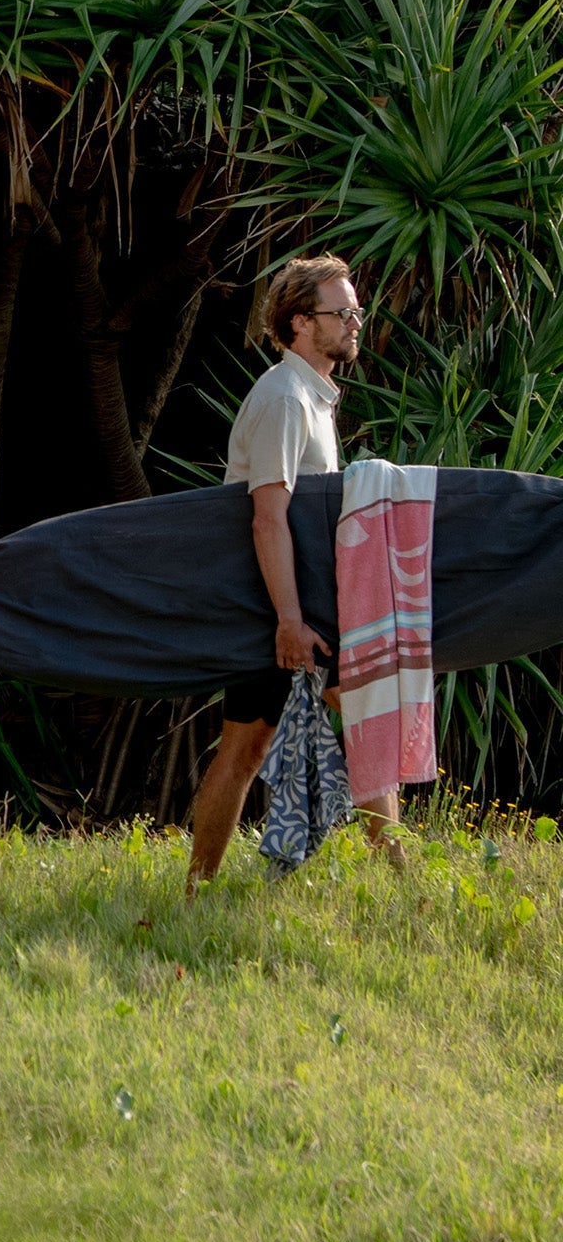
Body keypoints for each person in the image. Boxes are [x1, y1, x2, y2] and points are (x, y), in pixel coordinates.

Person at [185, 253, 404, 894]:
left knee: (247, 744)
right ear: (301, 322)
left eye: (356, 311)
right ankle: (403, 880)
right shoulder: (285, 399)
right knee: (352, 722)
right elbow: (267, 518)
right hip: (280, 608)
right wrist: (289, 620)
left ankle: (197, 890)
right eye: (343, 313)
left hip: (292, 605)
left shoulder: (310, 396)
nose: (356, 323)